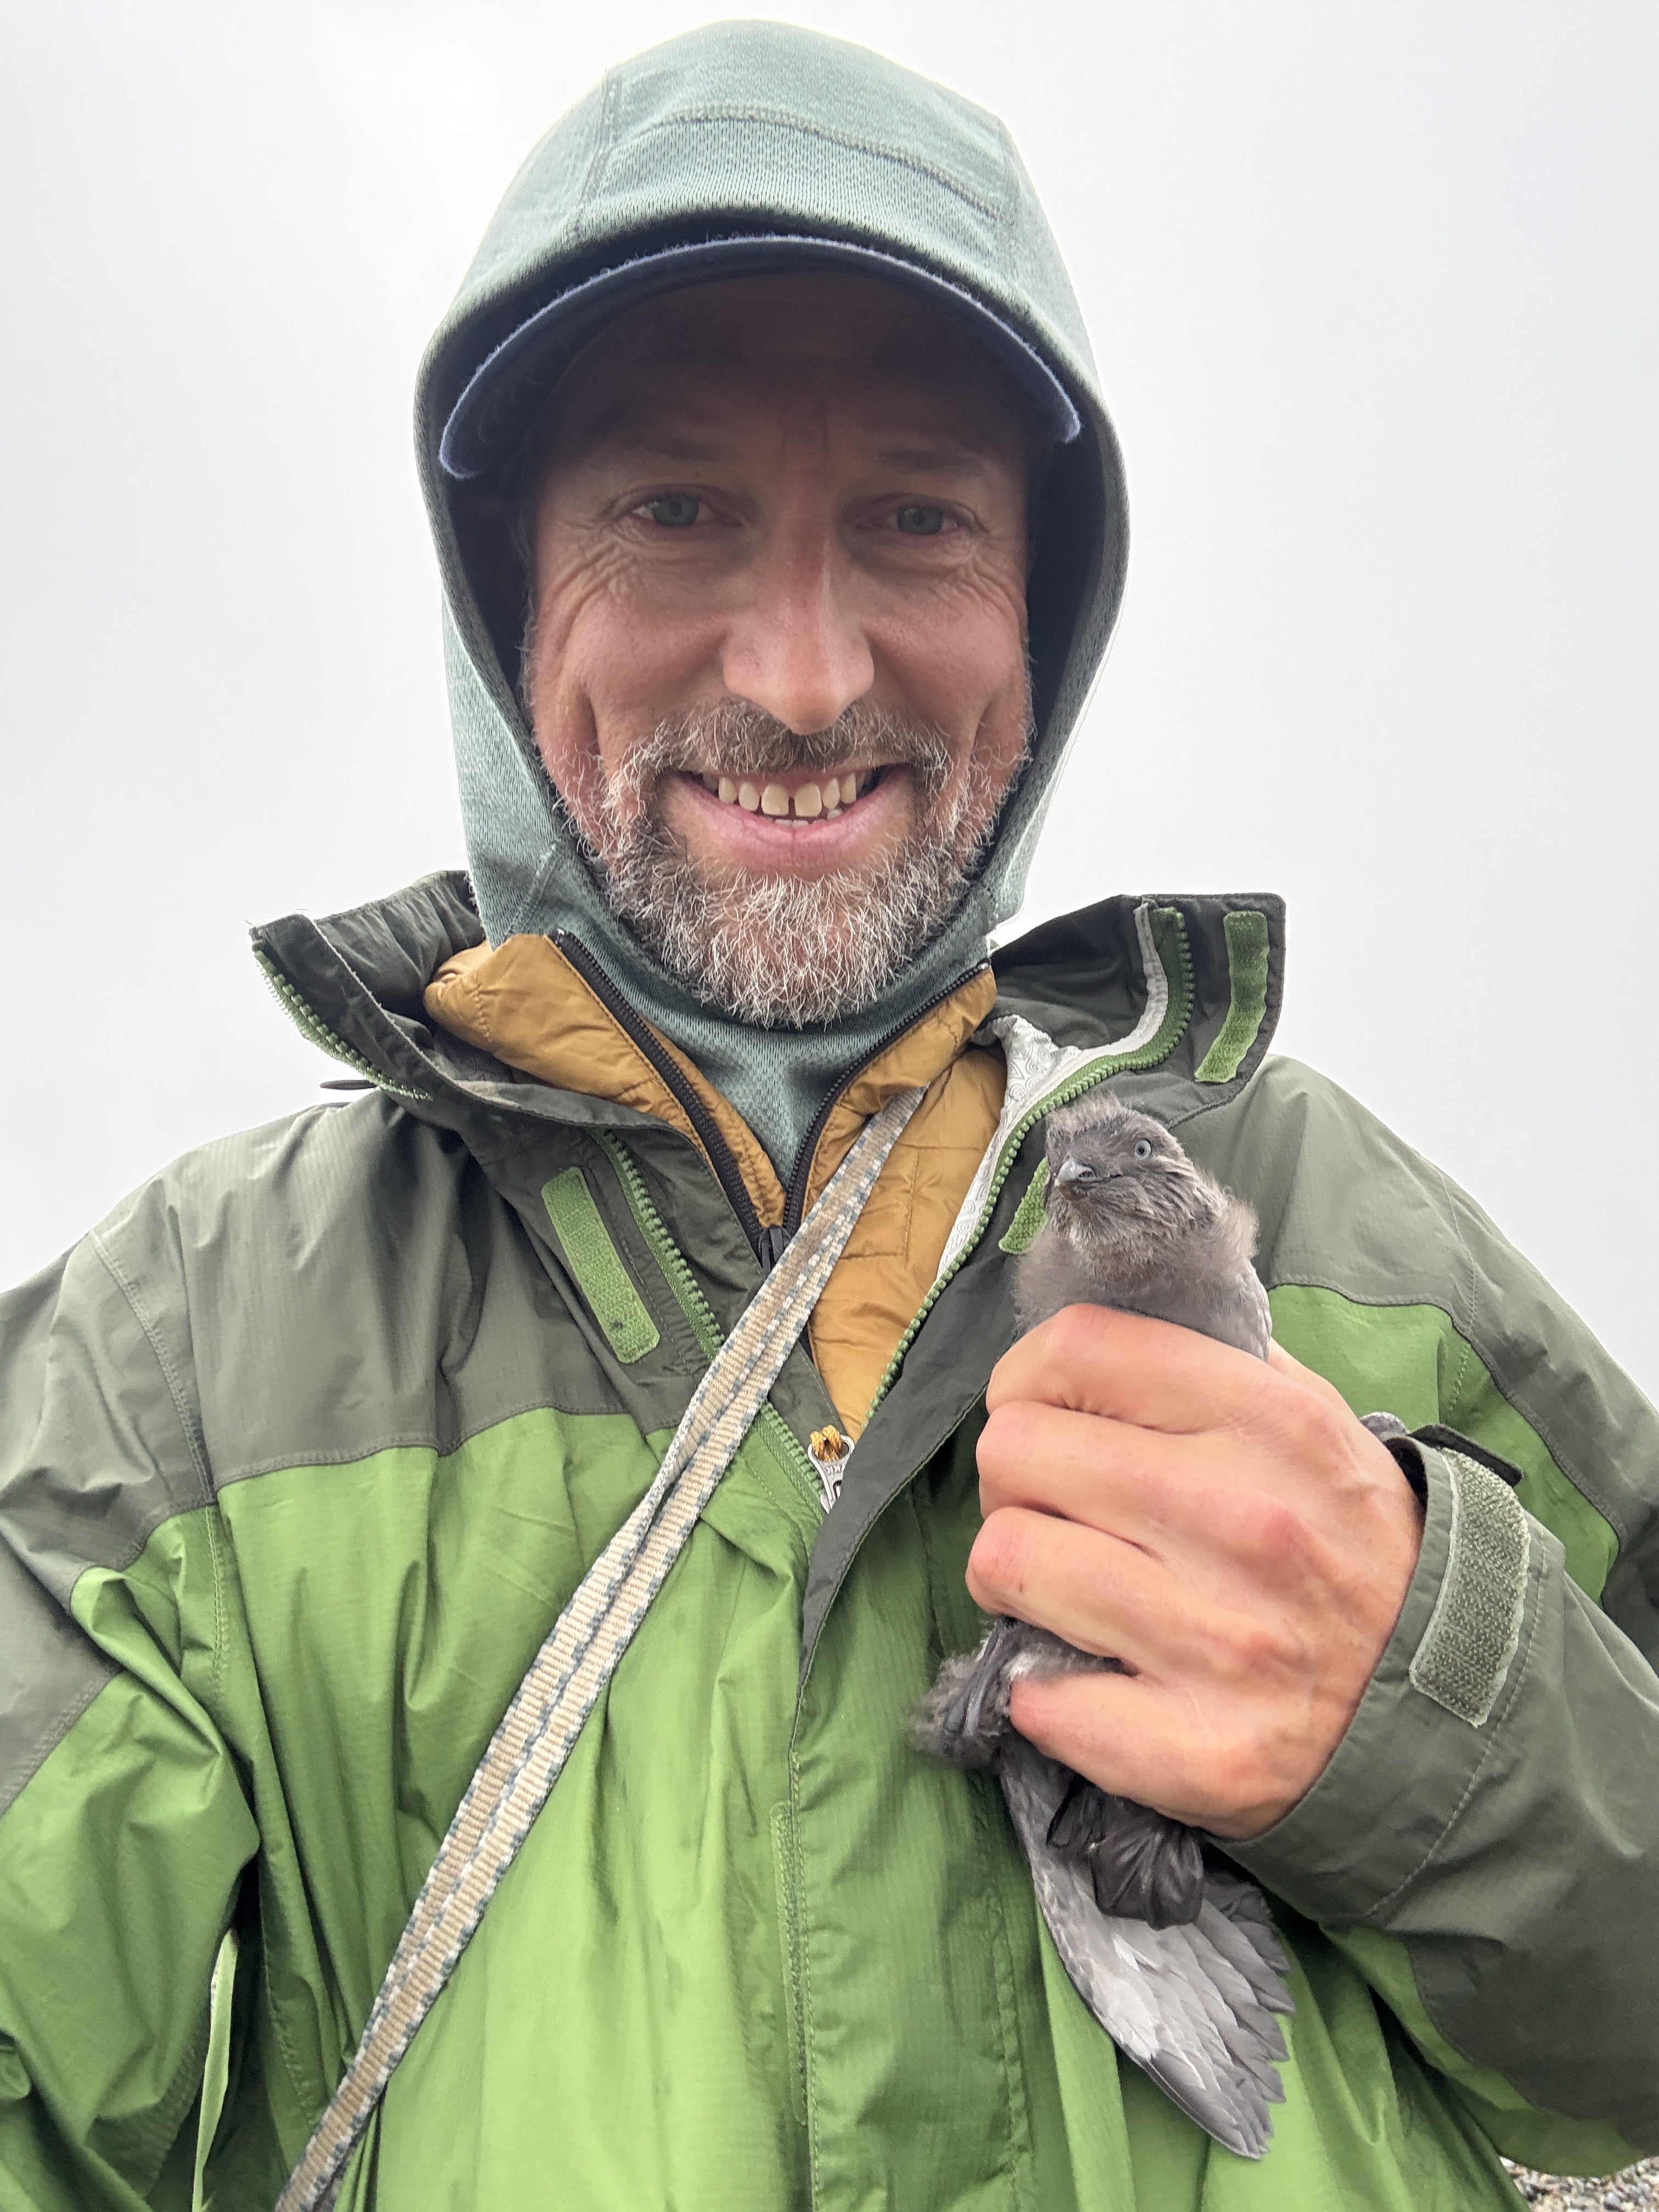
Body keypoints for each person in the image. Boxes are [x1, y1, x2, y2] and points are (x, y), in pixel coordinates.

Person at [1, 20, 1655, 2209]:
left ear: (1043, 614)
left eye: (916, 519)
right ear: (505, 604)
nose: (801, 672)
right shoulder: (187, 1350)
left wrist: (1453, 1723)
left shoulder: (1343, 1226)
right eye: (673, 510)